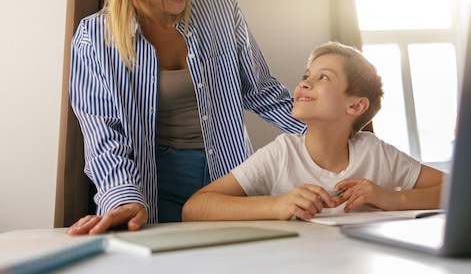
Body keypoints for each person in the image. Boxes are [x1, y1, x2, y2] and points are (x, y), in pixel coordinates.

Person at [66, 0, 305, 235]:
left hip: (229, 174)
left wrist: (331, 133)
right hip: (151, 184)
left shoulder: (222, 10)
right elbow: (104, 136)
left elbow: (262, 92)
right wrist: (123, 198)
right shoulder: (94, 38)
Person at [182, 41, 445, 221]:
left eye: (324, 77)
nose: (305, 83)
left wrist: (392, 198)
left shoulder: (375, 152)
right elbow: (195, 209)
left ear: (355, 105)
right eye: (306, 76)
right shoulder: (281, 153)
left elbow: (456, 190)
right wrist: (277, 204)